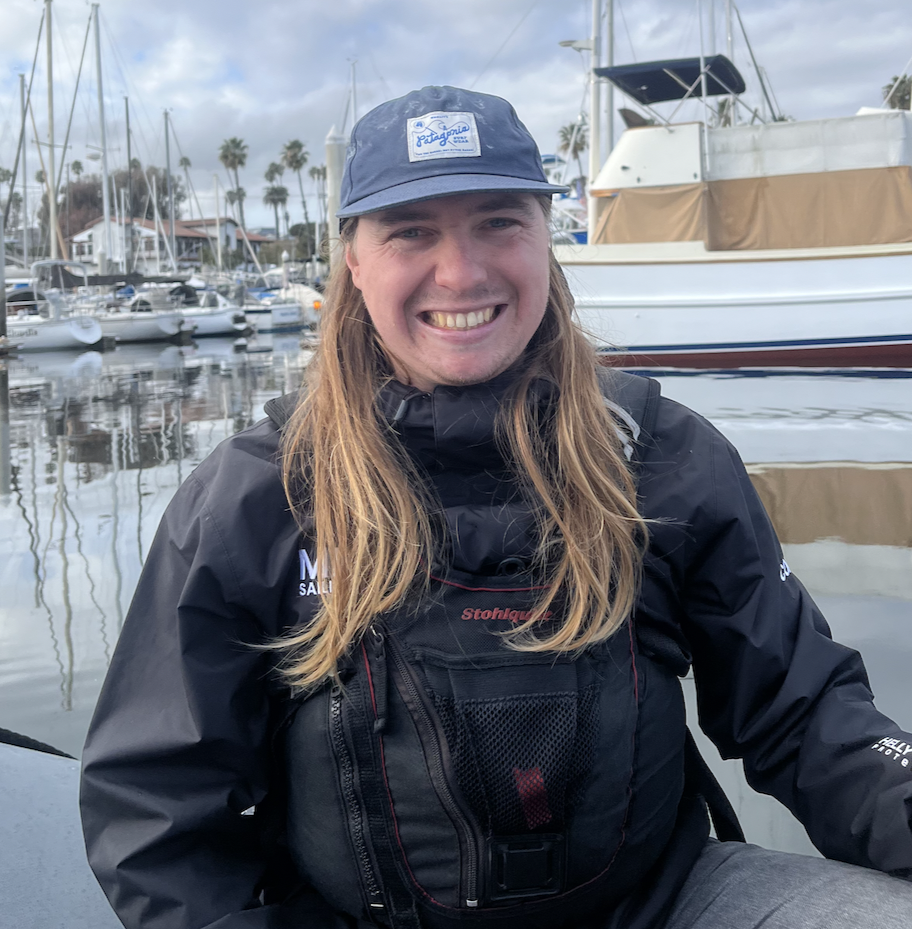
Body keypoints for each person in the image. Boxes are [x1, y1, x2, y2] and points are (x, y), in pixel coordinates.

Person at [80, 86, 912, 929]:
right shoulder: (254, 497)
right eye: (410, 231)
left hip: (662, 907)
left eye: (499, 221)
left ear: (544, 240)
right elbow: (158, 808)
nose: (462, 272)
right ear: (354, 262)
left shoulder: (665, 457)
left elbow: (805, 713)